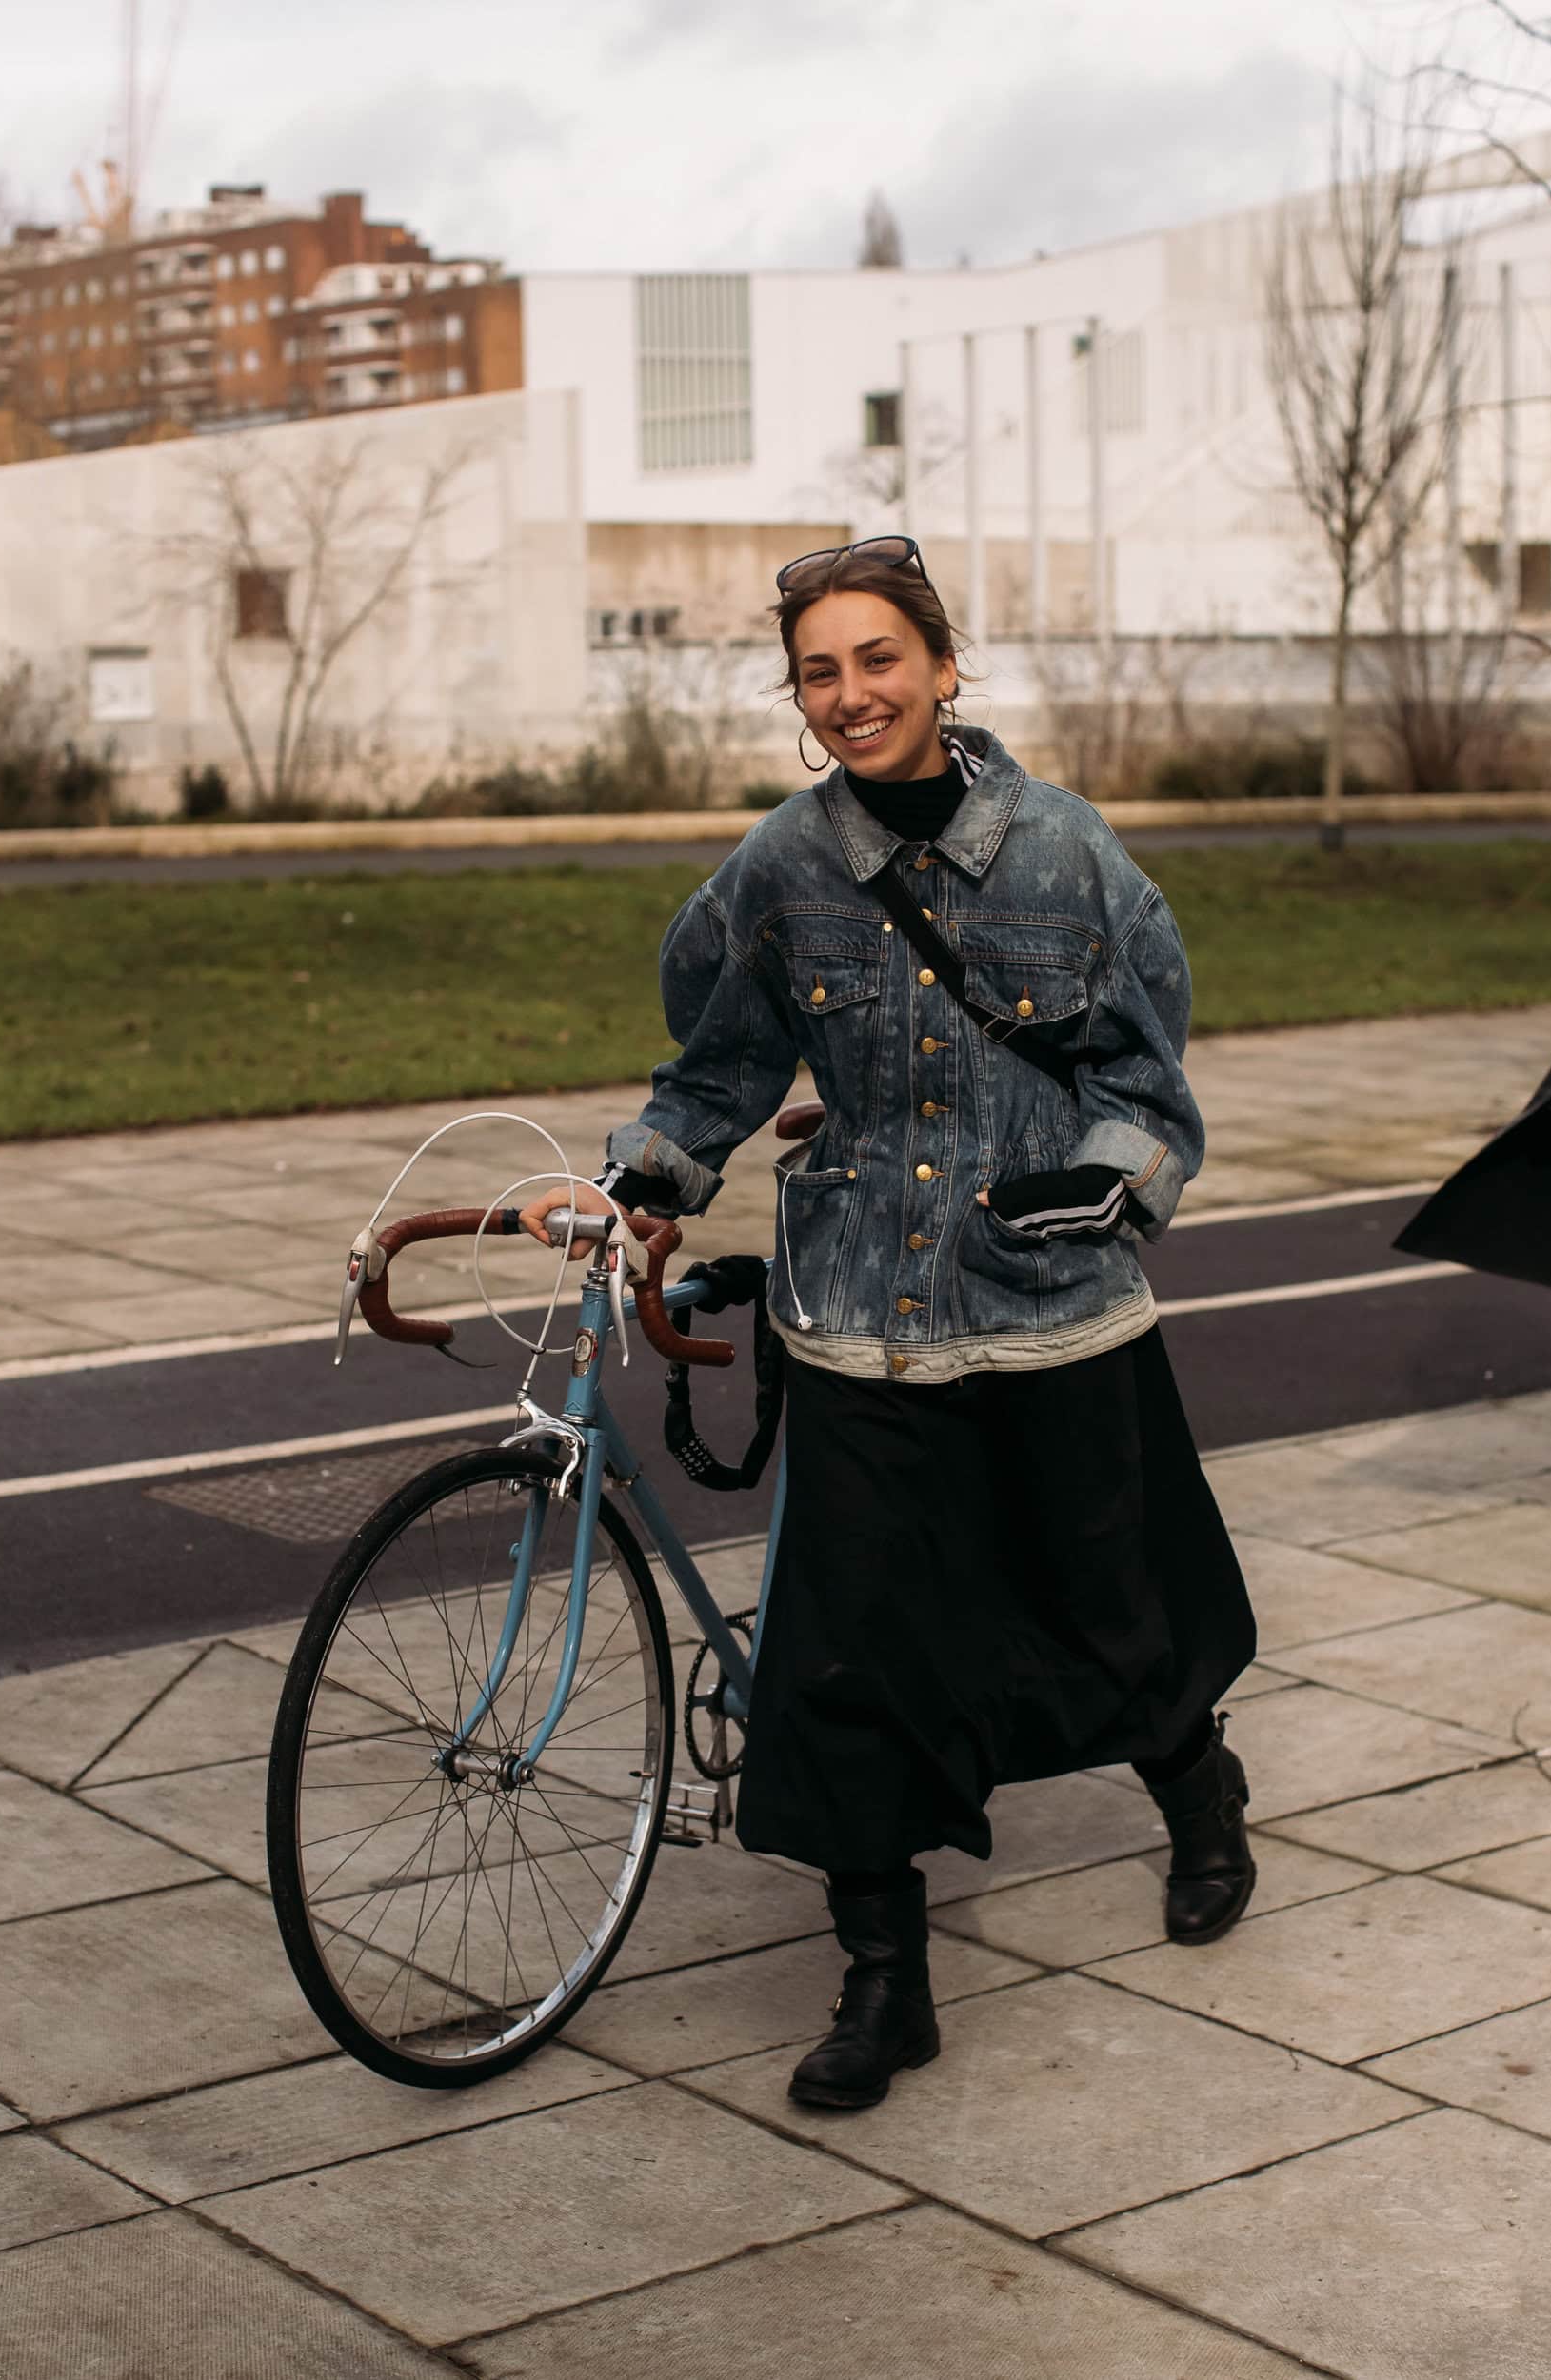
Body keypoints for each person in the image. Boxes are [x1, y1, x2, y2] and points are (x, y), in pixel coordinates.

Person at [518, 538, 1258, 2114]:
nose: (851, 694)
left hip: (1052, 1314)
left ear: (940, 665)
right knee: (851, 1658)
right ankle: (883, 1981)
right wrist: (636, 1183)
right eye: (820, 672)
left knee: (1110, 1609)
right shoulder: (781, 869)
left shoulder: (1066, 852)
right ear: (799, 697)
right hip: (859, 1316)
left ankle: (1200, 1793)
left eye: (878, 659)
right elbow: (716, 1071)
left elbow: (1148, 1084)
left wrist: (1097, 1185)